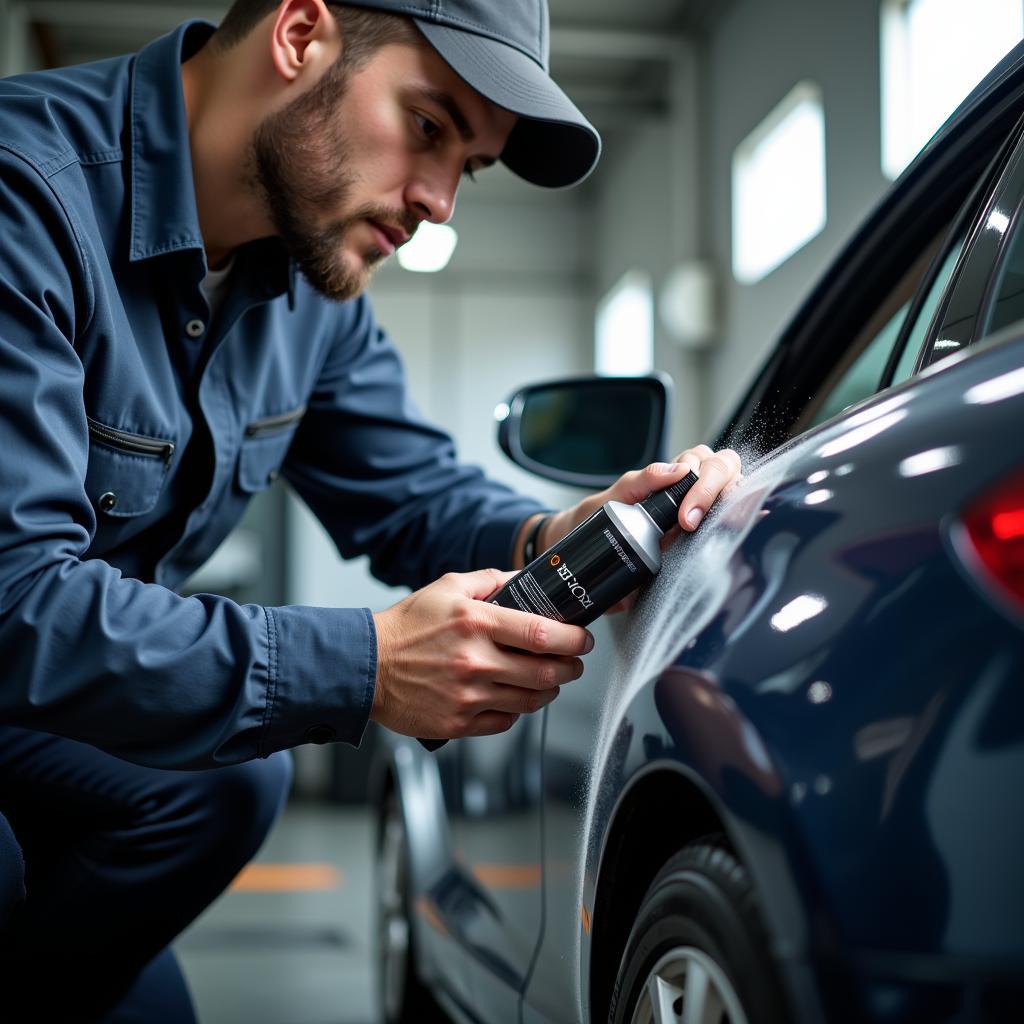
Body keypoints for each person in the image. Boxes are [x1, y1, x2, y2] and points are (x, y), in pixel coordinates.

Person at [0, 0, 741, 1019]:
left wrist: (549, 537)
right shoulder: (23, 195)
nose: (440, 202)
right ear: (299, 34)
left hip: (45, 706)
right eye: (429, 126)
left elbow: (410, 494)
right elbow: (15, 601)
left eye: (467, 166)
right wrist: (373, 665)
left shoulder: (306, 293)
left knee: (222, 791)